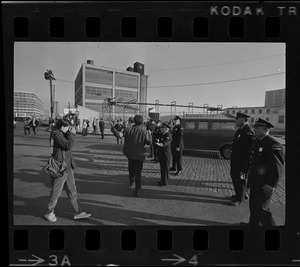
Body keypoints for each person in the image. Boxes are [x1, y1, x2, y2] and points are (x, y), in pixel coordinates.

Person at [44, 118, 91, 222]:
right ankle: (49, 212)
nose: (69, 129)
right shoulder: (56, 133)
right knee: (56, 192)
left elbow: (68, 145)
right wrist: (72, 134)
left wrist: (69, 133)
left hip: (67, 167)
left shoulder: (61, 133)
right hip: (60, 167)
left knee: (72, 191)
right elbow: (68, 145)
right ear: (62, 127)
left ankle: (78, 212)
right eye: (67, 127)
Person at [240, 118, 284, 226]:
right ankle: (253, 225)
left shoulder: (273, 144)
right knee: (253, 205)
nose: (254, 130)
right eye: (255, 128)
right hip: (255, 180)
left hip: (265, 183)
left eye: (257, 128)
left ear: (265, 130)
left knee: (262, 209)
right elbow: (251, 158)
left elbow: (277, 167)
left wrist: (271, 184)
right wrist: (244, 170)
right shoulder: (257, 141)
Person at [230, 112, 256, 206]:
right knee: (235, 177)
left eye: (237, 119)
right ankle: (239, 194)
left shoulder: (248, 131)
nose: (236, 120)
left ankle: (239, 199)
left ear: (242, 120)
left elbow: (249, 150)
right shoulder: (240, 130)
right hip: (236, 159)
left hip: (242, 161)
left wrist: (246, 165)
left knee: (240, 179)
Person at [123, 115, 152, 197]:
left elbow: (120, 135)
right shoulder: (144, 131)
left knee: (131, 169)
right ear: (142, 122)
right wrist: (149, 134)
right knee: (138, 173)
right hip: (139, 154)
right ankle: (137, 190)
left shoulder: (129, 129)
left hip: (130, 153)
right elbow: (149, 142)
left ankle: (131, 181)